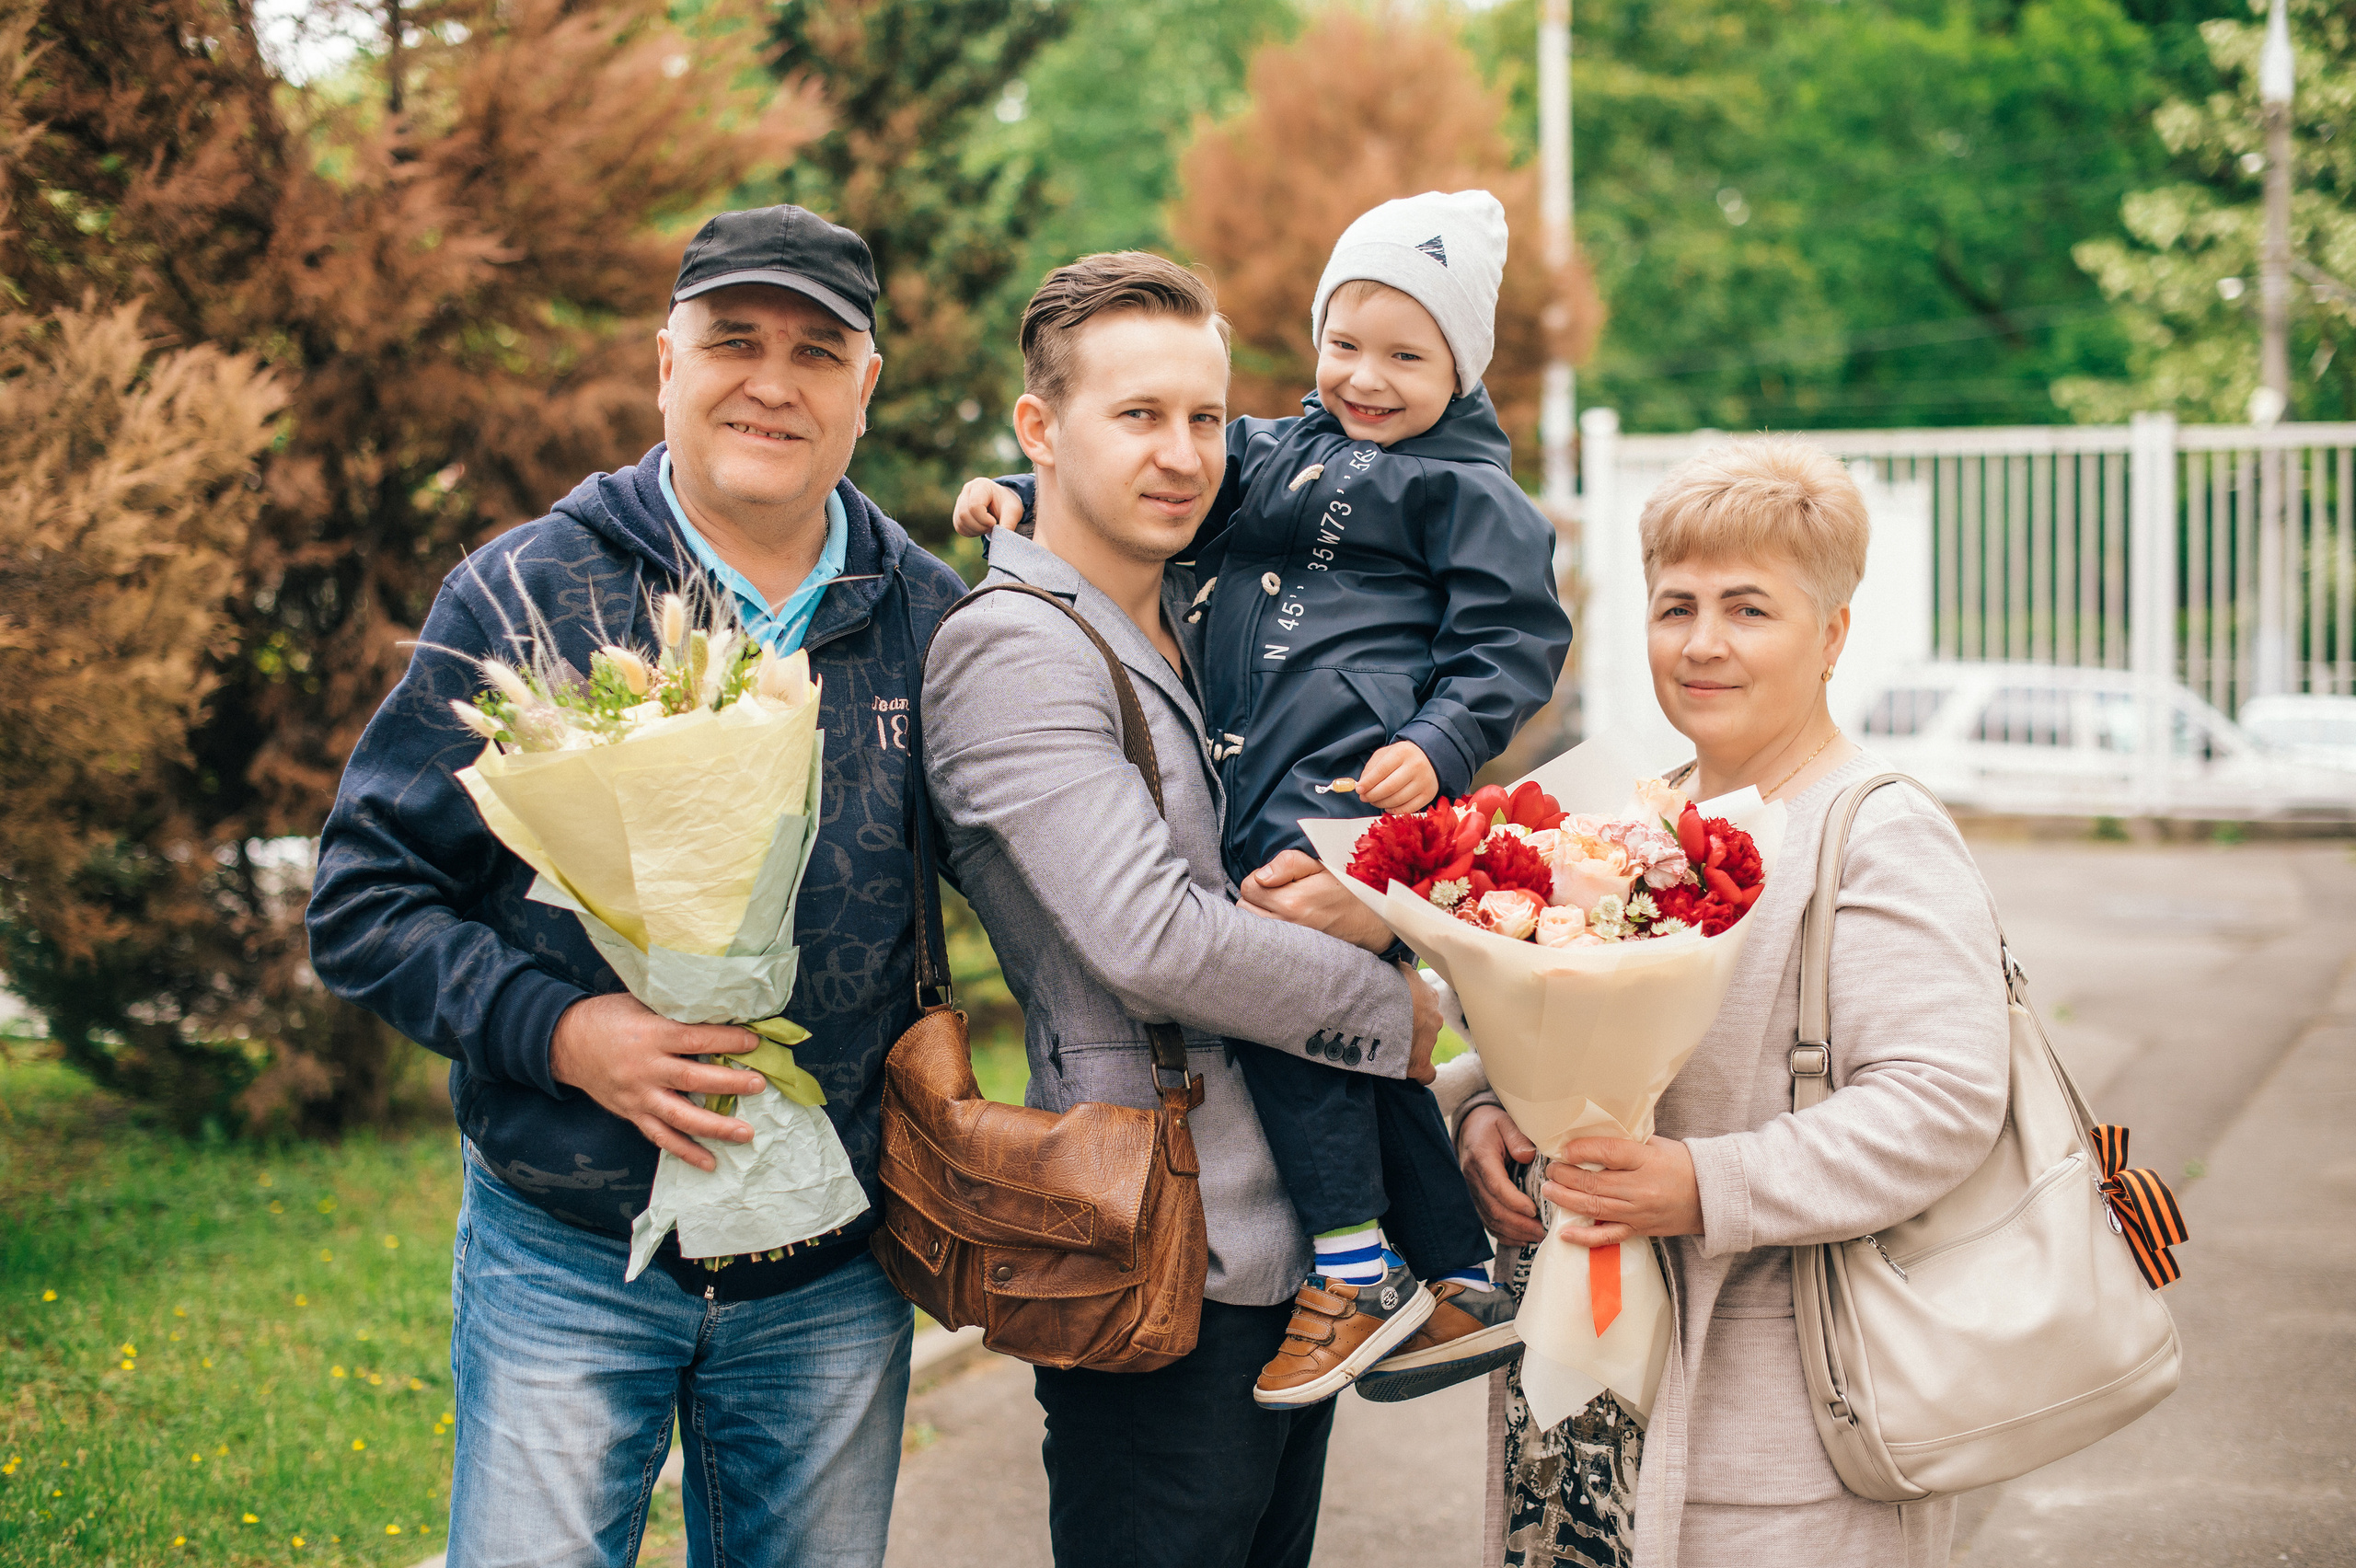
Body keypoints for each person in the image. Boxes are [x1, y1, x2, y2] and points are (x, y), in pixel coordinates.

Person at [306, 205, 968, 1568]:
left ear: (866, 391)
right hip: (566, 1250)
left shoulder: (939, 623)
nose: (771, 383)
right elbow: (366, 898)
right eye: (732, 340)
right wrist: (566, 1035)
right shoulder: (523, 595)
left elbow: (1053, 878)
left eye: (816, 351)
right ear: (664, 365)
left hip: (834, 1272)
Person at [953, 190, 1573, 1407]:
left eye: (1408, 356)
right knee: (1343, 1039)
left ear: (1464, 367)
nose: (1369, 379)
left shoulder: (1468, 495)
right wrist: (1020, 501)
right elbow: (1164, 494)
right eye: (1347, 345)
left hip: (1356, 778)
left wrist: (1440, 751)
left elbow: (1512, 642)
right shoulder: (1279, 453)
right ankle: (1449, 1266)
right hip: (1273, 775)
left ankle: (1355, 1264)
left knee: (1287, 995)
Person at [920, 249, 1449, 1568]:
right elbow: (1149, 938)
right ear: (1039, 429)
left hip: (1294, 1255)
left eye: (1206, 418)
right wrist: (1392, 1005)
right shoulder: (1014, 648)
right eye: (1139, 415)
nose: (1184, 453)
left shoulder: (1202, 627)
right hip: (1158, 1261)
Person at [1446, 438, 2012, 1568]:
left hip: (1785, 1435)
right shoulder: (1622, 814)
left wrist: (1706, 1185)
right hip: (1582, 1403)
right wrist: (1478, 1108)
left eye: (1747, 608)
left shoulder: (1875, 830)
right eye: (1674, 607)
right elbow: (1525, 1025)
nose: (1701, 644)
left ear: (1832, 635)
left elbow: (1942, 1100)